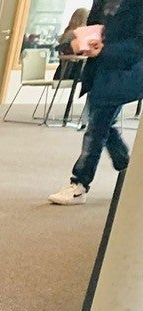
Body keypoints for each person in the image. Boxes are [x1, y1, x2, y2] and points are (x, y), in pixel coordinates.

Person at [49, 0, 142, 204]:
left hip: (123, 72)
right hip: (98, 72)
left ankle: (80, 183)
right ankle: (126, 168)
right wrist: (79, 43)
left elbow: (138, 45)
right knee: (101, 124)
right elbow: (93, 29)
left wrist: (105, 49)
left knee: (96, 128)